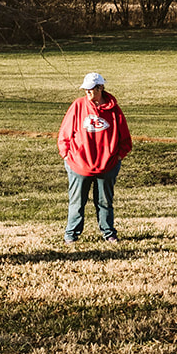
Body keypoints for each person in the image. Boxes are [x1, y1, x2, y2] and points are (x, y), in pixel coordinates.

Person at [58, 72, 133, 243]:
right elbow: (64, 134)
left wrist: (117, 158)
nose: (88, 92)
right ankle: (71, 235)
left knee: (105, 202)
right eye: (85, 89)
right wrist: (67, 156)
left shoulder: (114, 110)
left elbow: (125, 139)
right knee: (77, 203)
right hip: (79, 165)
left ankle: (109, 233)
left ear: (100, 88)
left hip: (107, 166)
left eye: (91, 89)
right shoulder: (78, 106)